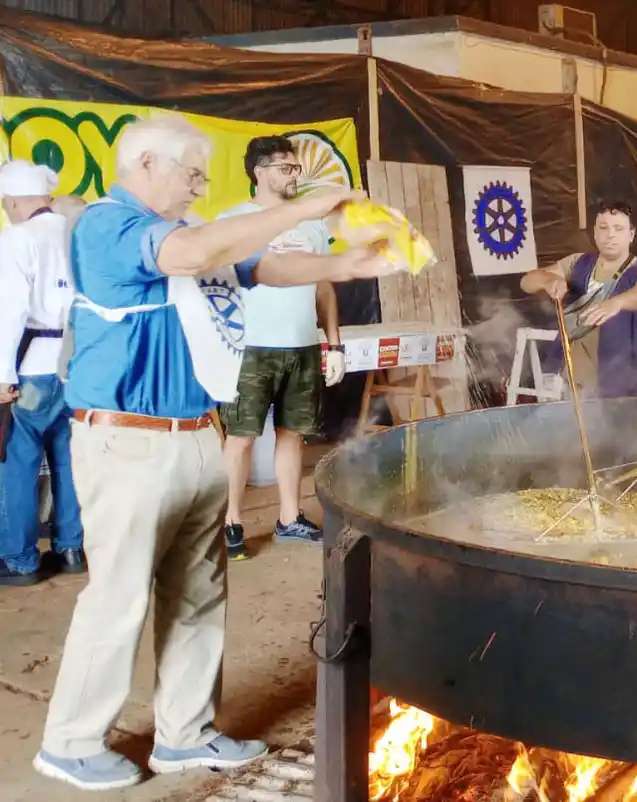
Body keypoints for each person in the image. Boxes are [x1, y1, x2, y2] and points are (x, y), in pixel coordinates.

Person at [34, 113, 395, 792]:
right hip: (128, 440)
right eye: (192, 174)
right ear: (146, 164)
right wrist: (309, 206)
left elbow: (264, 266)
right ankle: (71, 743)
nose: (199, 188)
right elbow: (193, 255)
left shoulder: (187, 232)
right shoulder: (111, 226)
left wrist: (346, 264)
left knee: (199, 593)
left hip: (196, 432)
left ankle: (186, 732)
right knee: (119, 598)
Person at [217, 136, 346, 560]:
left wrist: (334, 344)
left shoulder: (311, 224)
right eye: (285, 168)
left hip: (303, 347)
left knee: (293, 434)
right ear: (260, 172)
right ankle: (230, 522)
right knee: (241, 437)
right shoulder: (232, 221)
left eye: (296, 168)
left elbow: (324, 287)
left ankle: (289, 518)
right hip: (249, 349)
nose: (294, 176)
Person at [0, 160, 85, 586]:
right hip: (74, 365)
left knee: (17, 462)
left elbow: (10, 310)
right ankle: (71, 549)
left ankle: (19, 560)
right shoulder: (76, 232)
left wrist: (2, 374)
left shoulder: (17, 237)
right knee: (69, 460)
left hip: (30, 368)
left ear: (13, 201)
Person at [521, 200, 637, 398]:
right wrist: (548, 280)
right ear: (595, 233)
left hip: (625, 389)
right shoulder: (579, 263)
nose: (610, 235)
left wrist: (618, 302)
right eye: (603, 228)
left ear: (631, 235)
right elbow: (527, 281)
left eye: (618, 229)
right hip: (573, 383)